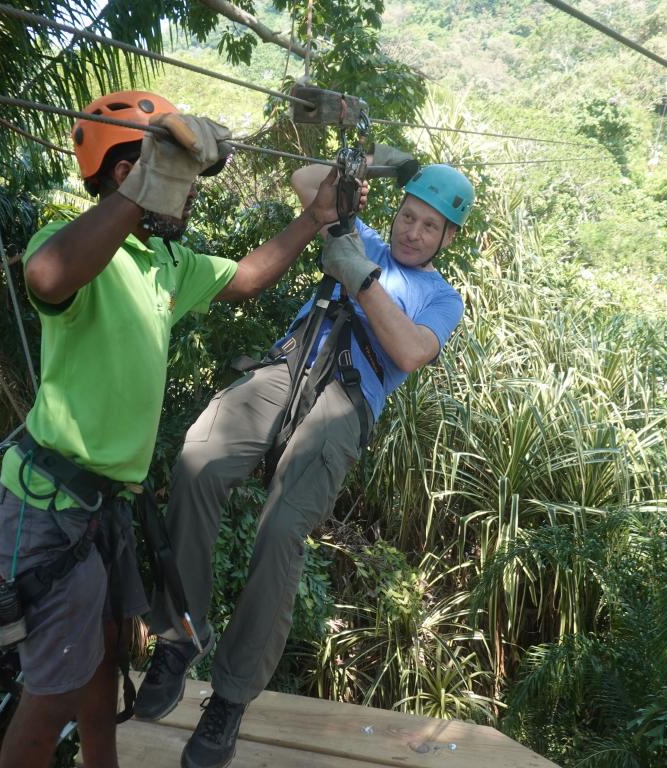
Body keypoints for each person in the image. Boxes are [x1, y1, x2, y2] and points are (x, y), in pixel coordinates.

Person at [0, 90, 343, 768]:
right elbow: (47, 274)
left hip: (100, 514)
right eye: (177, 185)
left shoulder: (164, 264)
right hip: (49, 509)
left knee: (105, 664)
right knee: (50, 698)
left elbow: (243, 279)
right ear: (128, 178)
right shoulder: (86, 251)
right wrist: (144, 191)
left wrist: (311, 219)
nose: (190, 199)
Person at [138, 145, 475, 768]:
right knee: (197, 460)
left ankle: (230, 699)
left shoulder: (439, 297)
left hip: (347, 398)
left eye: (430, 225)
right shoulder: (363, 233)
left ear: (446, 238)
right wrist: (367, 164)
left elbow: (407, 352)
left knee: (283, 529)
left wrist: (363, 279)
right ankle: (179, 637)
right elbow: (305, 179)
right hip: (286, 368)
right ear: (396, 212)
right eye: (408, 215)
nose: (413, 231)